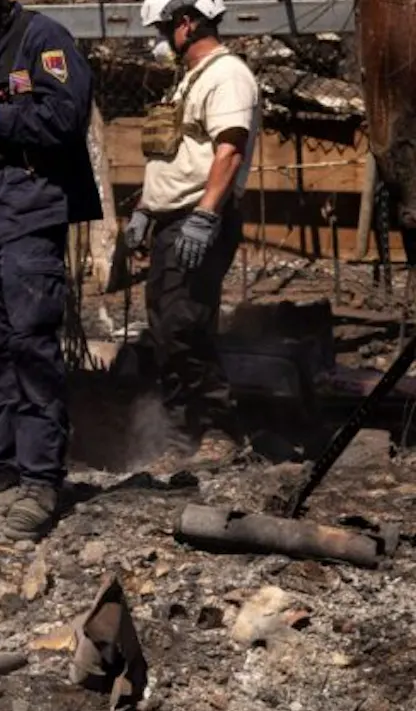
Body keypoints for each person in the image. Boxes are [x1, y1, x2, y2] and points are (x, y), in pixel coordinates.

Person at [0, 0, 101, 540]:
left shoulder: (43, 40)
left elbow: (64, 119)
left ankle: (41, 480)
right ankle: (1, 466)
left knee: (31, 345)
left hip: (29, 210)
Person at [124, 0, 258, 468]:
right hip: (171, 222)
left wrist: (204, 216)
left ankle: (221, 432)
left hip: (198, 220)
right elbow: (175, 158)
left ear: (186, 23)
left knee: (185, 326)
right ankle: (180, 440)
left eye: (163, 27)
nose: (159, 38)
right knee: (165, 331)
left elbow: (230, 152)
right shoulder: (189, 79)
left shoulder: (228, 75)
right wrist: (144, 208)